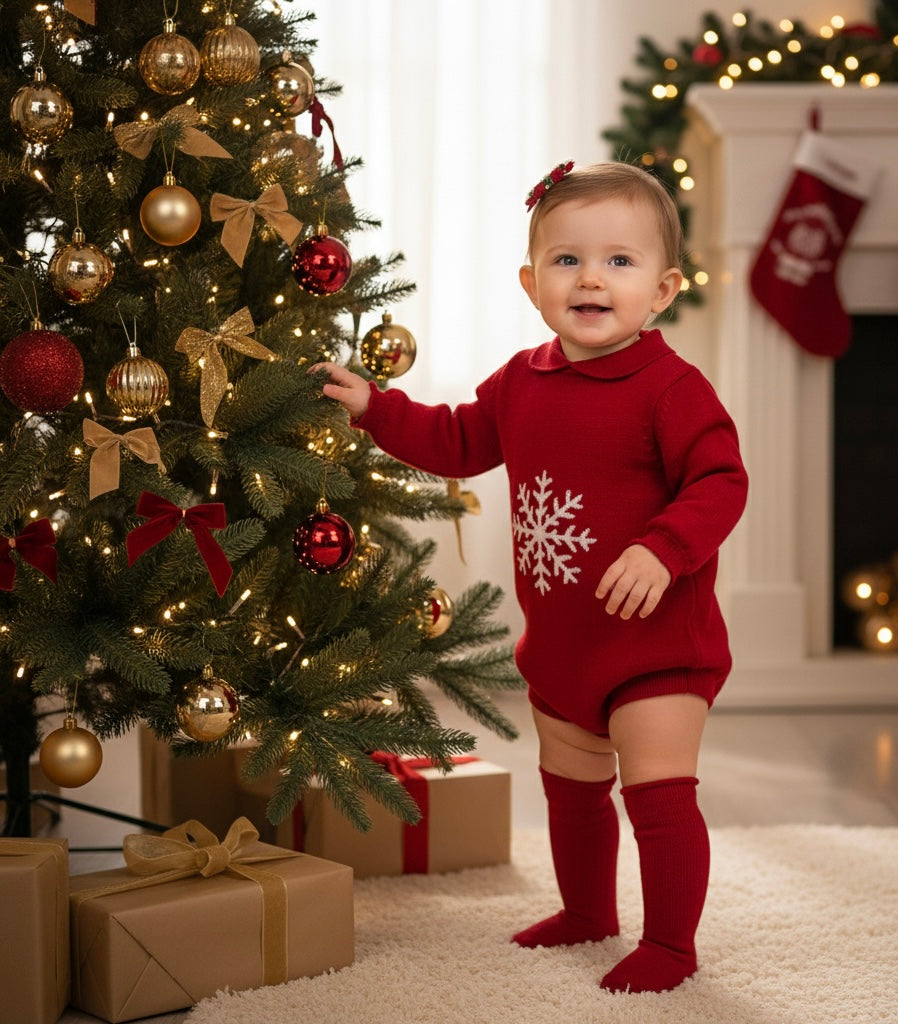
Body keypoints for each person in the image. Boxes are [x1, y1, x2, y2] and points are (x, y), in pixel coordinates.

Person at [312, 160, 748, 994]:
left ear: (662, 291)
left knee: (656, 798)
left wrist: (663, 548)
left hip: (658, 647)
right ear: (531, 281)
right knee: (573, 790)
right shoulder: (522, 380)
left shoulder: (670, 389)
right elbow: (456, 441)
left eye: (620, 262)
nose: (591, 277)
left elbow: (721, 482)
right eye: (567, 260)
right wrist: (377, 410)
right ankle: (587, 912)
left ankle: (671, 945)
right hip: (564, 645)